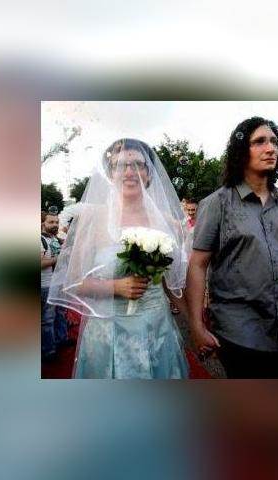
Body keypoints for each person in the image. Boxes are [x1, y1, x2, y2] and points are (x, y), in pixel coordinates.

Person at [47, 138, 191, 379]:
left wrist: (196, 326)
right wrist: (115, 287)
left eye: (138, 164)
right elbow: (72, 281)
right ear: (110, 174)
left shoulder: (166, 221)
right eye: (120, 165)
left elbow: (172, 283)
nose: (129, 172)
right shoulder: (93, 219)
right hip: (109, 331)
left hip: (157, 329)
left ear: (149, 173)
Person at [186, 117, 278, 378]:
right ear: (241, 152)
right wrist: (196, 325)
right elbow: (198, 265)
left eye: (274, 142)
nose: (270, 148)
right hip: (239, 333)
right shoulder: (218, 203)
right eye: (259, 142)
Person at [40, 211, 64, 361]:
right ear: (43, 224)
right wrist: (58, 259)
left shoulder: (54, 239)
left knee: (59, 314)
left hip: (57, 283)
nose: (55, 225)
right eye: (51, 222)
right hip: (45, 285)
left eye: (57, 222)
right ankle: (49, 351)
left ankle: (61, 340)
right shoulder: (40, 240)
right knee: (48, 319)